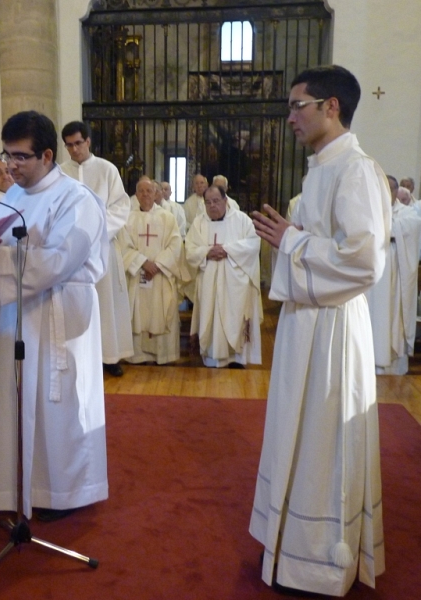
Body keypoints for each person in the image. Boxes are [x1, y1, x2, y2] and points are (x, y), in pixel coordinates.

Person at [249, 65, 389, 596]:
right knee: (296, 429)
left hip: (333, 330)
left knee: (324, 439)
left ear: (331, 107)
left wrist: (293, 242)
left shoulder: (356, 169)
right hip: (305, 324)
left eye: (297, 105)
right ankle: (289, 543)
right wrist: (293, 240)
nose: (290, 117)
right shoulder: (321, 168)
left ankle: (319, 561)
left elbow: (364, 261)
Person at [0, 111, 109, 522]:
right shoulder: (12, 195)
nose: (10, 166)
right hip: (16, 317)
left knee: (55, 404)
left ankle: (60, 492)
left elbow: (63, 259)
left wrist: (0, 259)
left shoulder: (76, 199)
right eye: (7, 156)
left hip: (58, 316)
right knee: (14, 401)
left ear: (47, 154)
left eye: (20, 157)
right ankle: (18, 488)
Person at [60, 120, 133, 377]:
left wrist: (96, 233)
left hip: (102, 247)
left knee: (105, 301)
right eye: (69, 145)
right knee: (75, 303)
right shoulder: (60, 173)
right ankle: (76, 355)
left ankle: (108, 357)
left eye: (78, 143)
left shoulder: (107, 169)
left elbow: (120, 207)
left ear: (88, 141)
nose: (74, 149)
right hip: (71, 251)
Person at [185, 184, 262, 368]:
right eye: (208, 202)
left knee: (234, 317)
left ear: (225, 201)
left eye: (216, 201)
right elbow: (189, 249)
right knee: (210, 316)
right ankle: (211, 356)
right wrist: (207, 252)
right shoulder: (199, 223)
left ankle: (237, 357)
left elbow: (253, 244)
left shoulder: (242, 220)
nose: (212, 206)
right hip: (209, 281)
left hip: (235, 284)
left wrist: (228, 250)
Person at [119, 178, 182, 364]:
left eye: (149, 191)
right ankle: (137, 355)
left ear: (156, 194)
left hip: (161, 275)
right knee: (137, 312)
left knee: (160, 309)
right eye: (141, 191)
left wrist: (158, 264)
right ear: (136, 195)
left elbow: (176, 244)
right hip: (137, 275)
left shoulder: (167, 218)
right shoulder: (127, 219)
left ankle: (162, 354)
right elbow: (123, 247)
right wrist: (143, 262)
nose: (145, 194)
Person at [366, 175, 421, 374]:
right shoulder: (369, 210)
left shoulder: (407, 213)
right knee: (372, 314)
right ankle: (368, 359)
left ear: (395, 192)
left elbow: (410, 229)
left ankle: (393, 362)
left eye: (388, 189)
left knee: (392, 314)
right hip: (372, 274)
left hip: (396, 272)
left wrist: (385, 227)